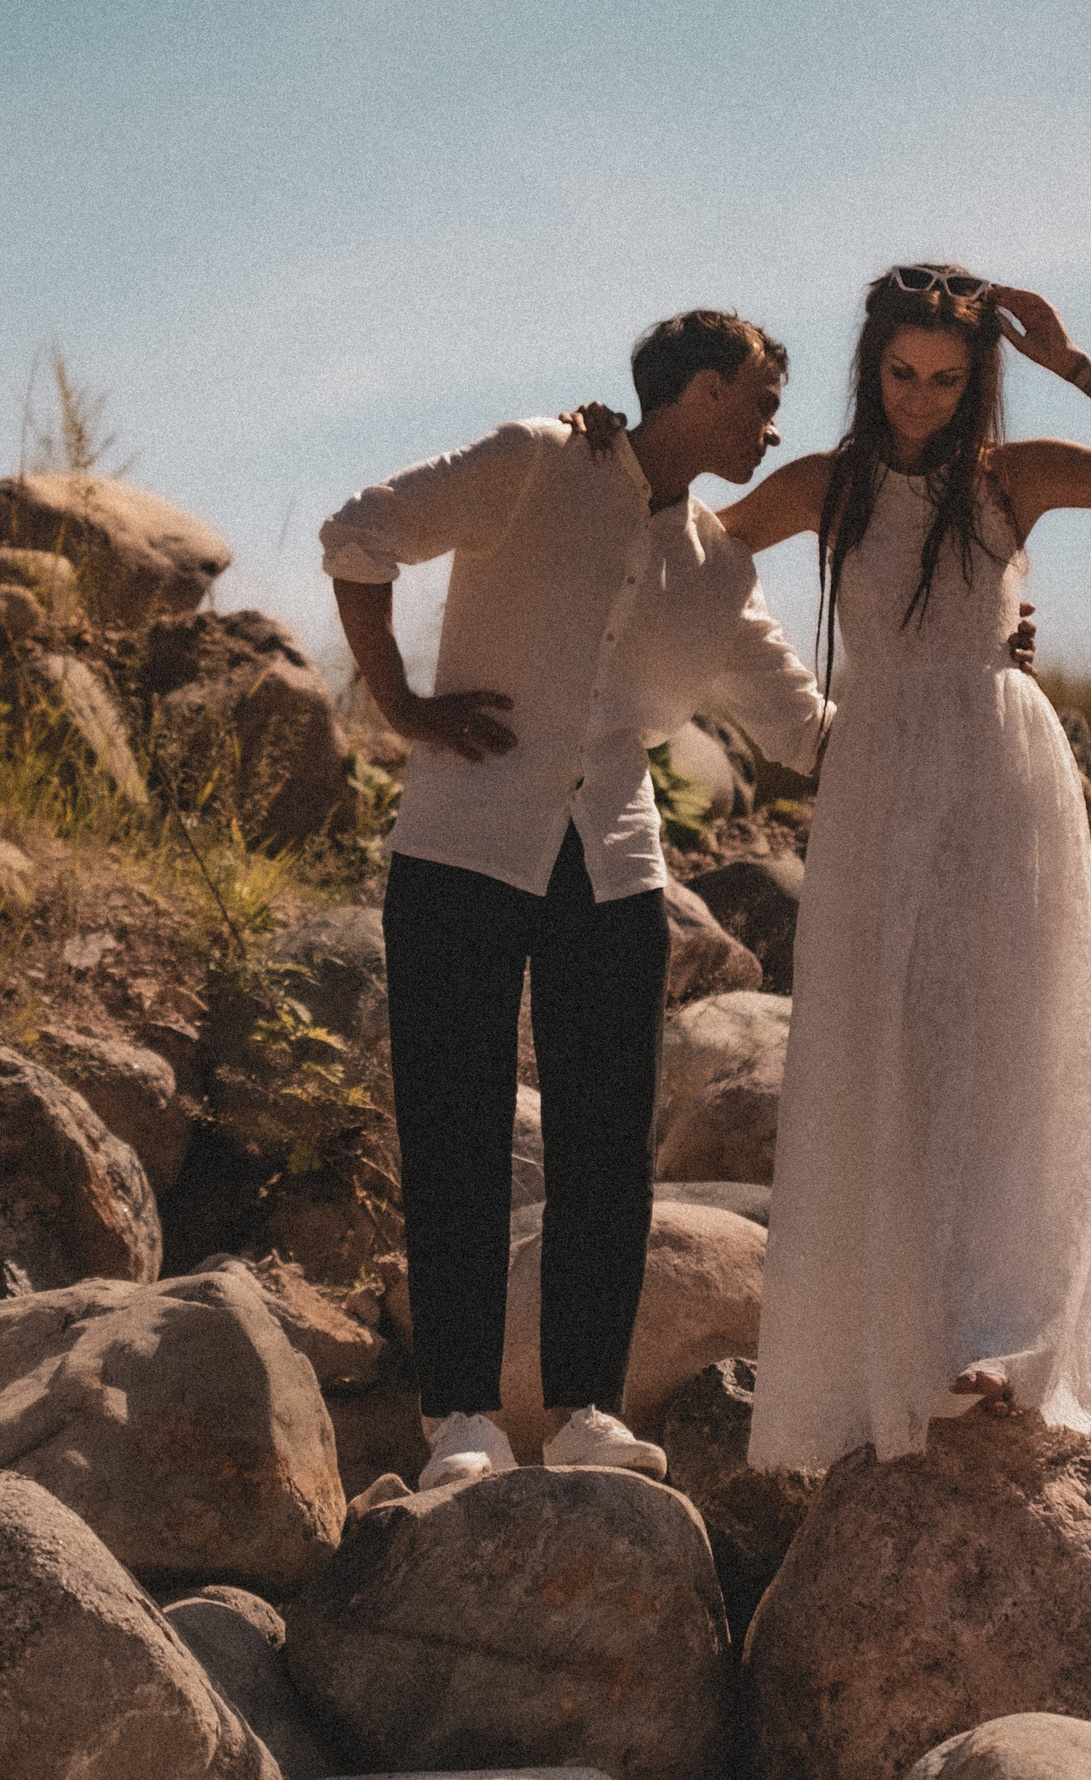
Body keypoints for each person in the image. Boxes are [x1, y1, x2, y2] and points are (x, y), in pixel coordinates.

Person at [324, 311, 842, 1491]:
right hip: (458, 843)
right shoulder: (534, 460)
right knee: (454, 1131)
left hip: (612, 865)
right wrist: (399, 704)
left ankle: (584, 1411)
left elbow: (808, 734)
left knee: (607, 1148)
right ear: (701, 390)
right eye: (762, 400)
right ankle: (459, 1414)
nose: (772, 428)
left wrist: (972, 687)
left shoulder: (717, 568)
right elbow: (357, 533)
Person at [720, 266, 1091, 1468]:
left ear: (976, 378)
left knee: (1006, 1034)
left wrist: (1070, 361)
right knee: (890, 1041)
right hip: (875, 769)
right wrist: (782, 703)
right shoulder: (826, 485)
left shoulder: (1008, 477)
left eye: (946, 378)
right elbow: (692, 560)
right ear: (870, 365)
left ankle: (999, 1339)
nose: (920, 397)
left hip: (999, 765)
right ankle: (904, 1343)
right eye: (901, 373)